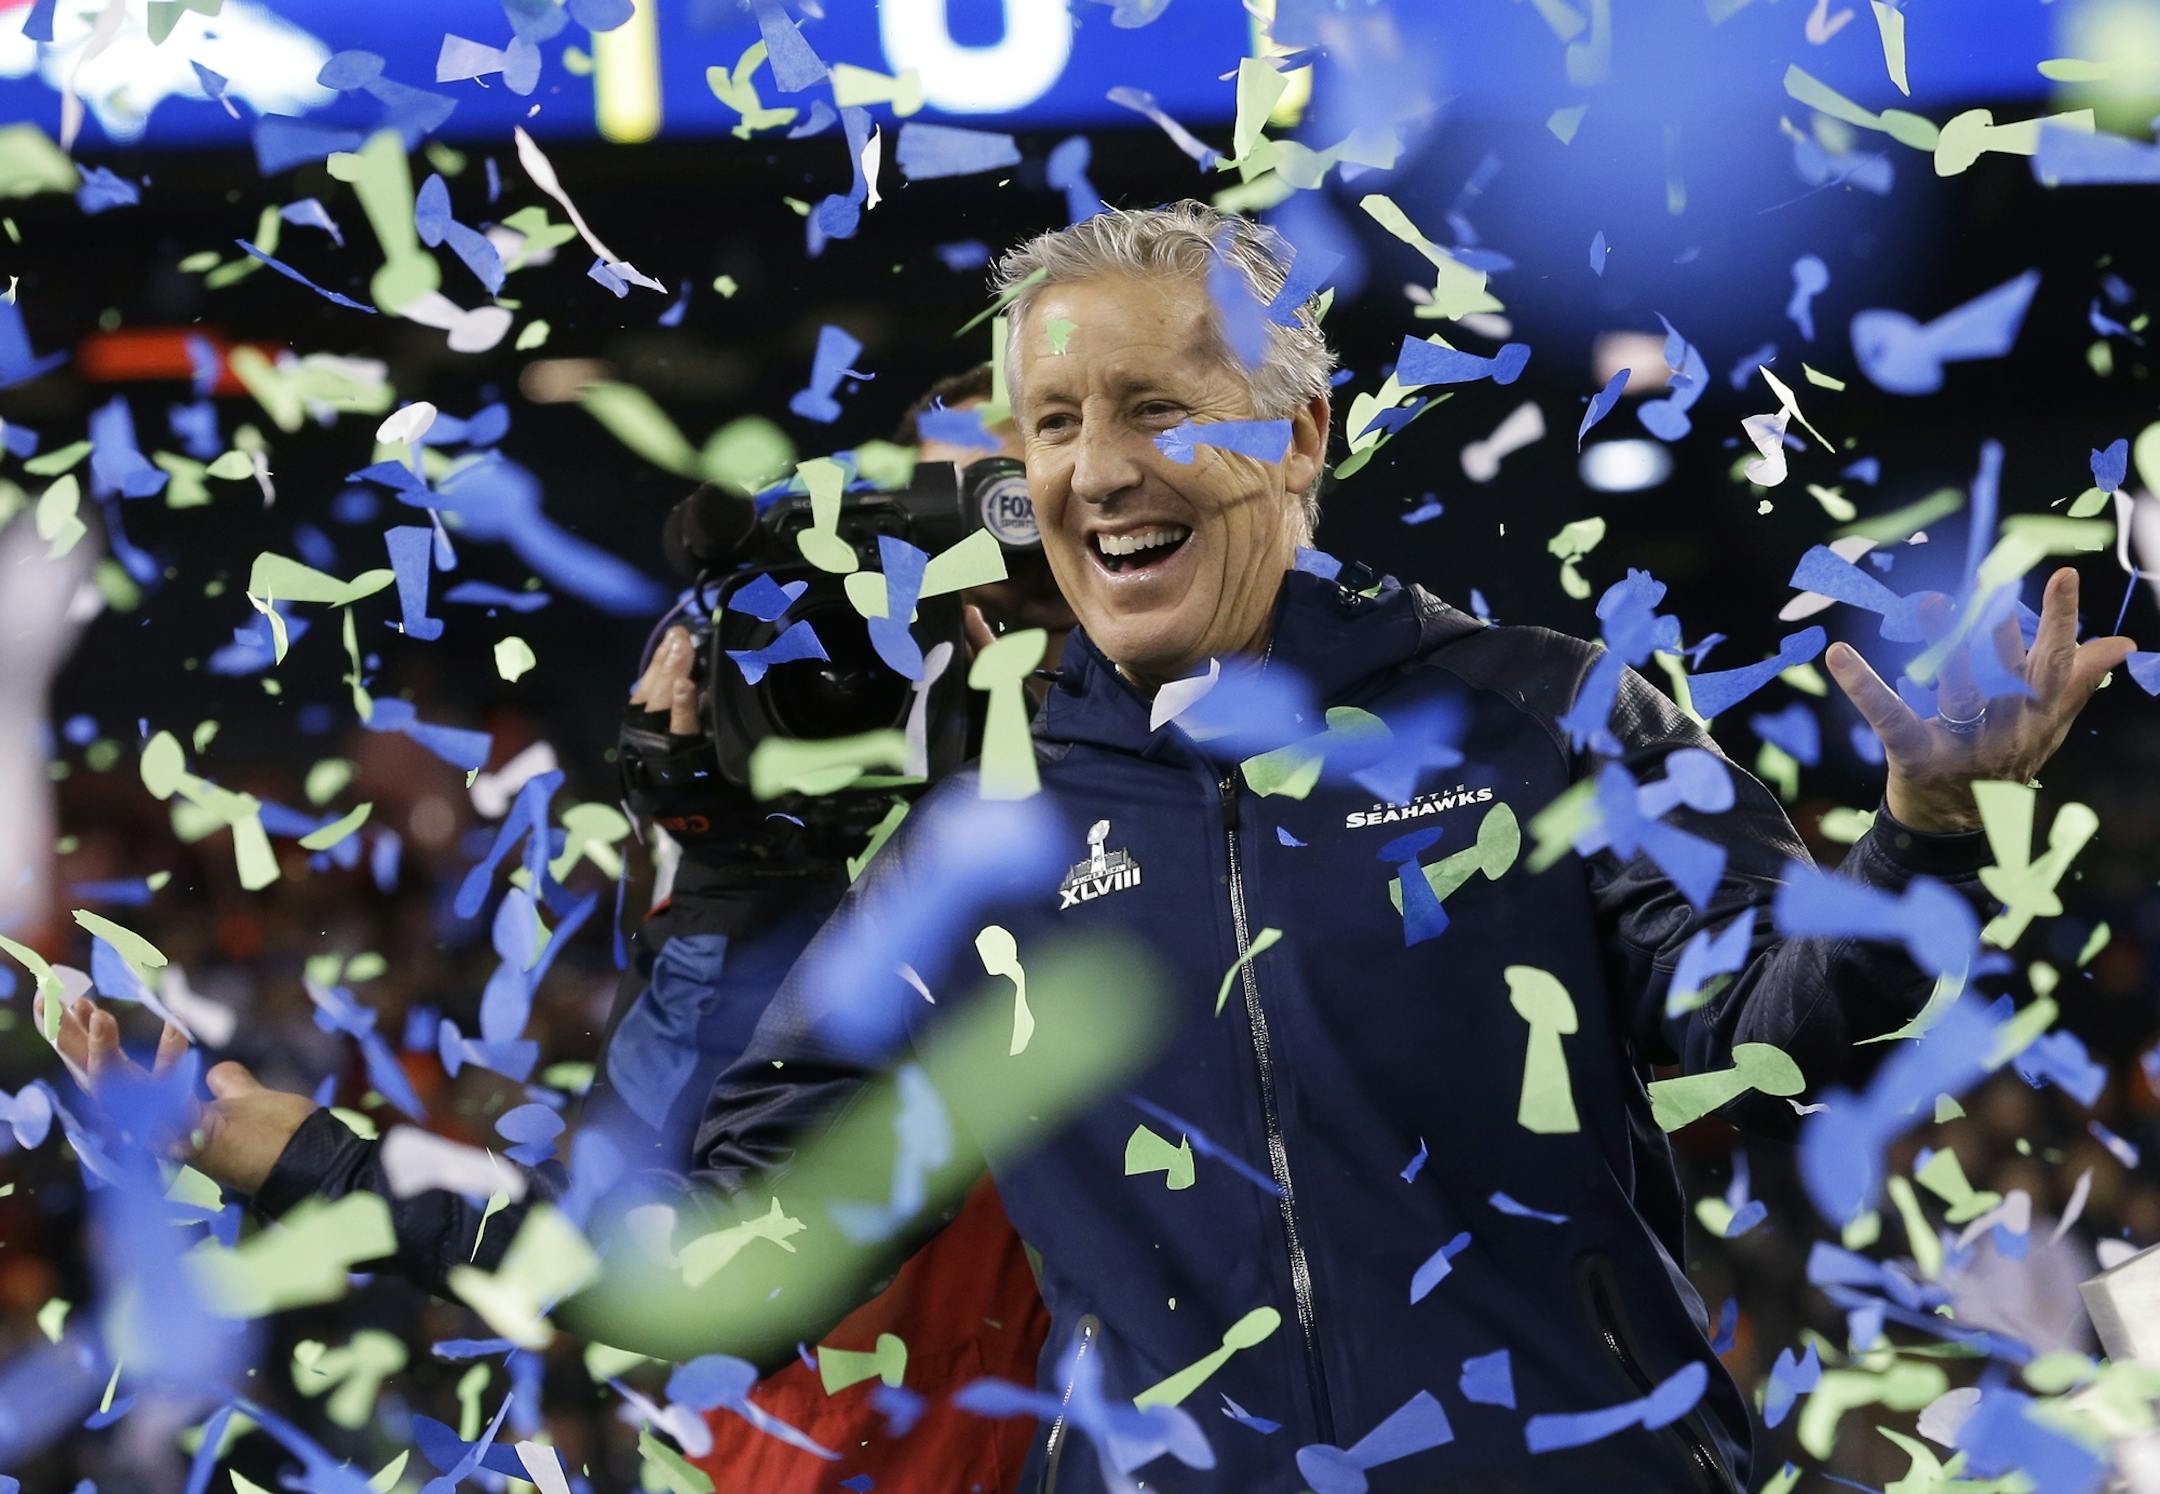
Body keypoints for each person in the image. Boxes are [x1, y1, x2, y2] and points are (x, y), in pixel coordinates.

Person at [557, 200, 2131, 1492]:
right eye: (1053, 426)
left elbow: (1783, 1028)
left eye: (1156, 408)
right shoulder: (980, 846)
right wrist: (389, 1170)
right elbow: (728, 1251)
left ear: (1299, 430)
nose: (1097, 468)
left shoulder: (1546, 714)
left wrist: (1927, 829)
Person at [46, 370, 1069, 1492]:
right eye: (944, 538)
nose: (982, 588)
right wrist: (730, 874)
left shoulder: (1198, 839)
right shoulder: (841, 842)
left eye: (1014, 524)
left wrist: (327, 1168)